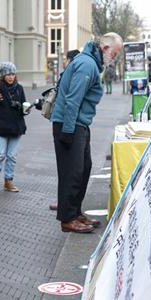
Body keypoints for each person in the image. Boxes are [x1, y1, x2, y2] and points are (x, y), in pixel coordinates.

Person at [51, 32, 123, 233]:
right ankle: (68, 218)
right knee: (72, 172)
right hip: (70, 125)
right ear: (105, 48)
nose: (115, 58)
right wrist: (68, 131)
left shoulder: (90, 62)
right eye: (115, 53)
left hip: (76, 124)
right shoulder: (87, 65)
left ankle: (74, 212)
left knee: (82, 169)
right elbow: (73, 100)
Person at [0, 62, 27, 193]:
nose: (11, 77)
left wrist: (26, 108)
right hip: (1, 128)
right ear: (3, 75)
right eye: (8, 74)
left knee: (12, 156)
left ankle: (8, 181)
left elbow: (24, 105)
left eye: (13, 74)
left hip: (16, 127)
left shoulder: (19, 88)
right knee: (0, 155)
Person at [49, 49, 80, 211]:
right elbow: (70, 100)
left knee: (66, 168)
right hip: (64, 123)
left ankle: (65, 203)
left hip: (62, 122)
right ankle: (65, 204)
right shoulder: (73, 72)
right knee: (68, 168)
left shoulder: (70, 71)